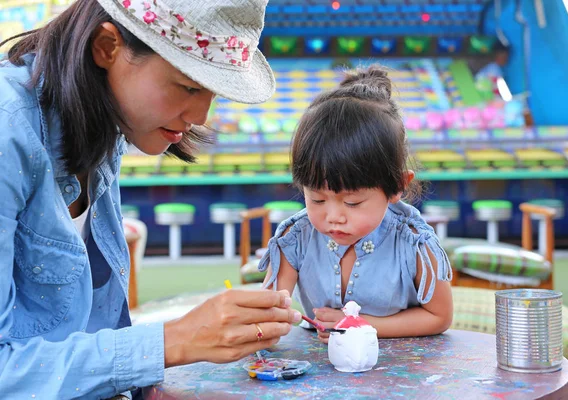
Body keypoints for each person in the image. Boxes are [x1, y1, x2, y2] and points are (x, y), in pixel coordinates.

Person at [0, 0, 301, 398]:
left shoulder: (107, 123)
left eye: (211, 93)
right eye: (189, 86)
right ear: (107, 47)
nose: (199, 114)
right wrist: (173, 340)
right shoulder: (9, 133)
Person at [258, 65, 453, 343]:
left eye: (352, 202)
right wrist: (265, 319)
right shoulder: (296, 238)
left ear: (397, 186)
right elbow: (272, 307)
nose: (334, 216)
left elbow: (439, 317)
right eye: (317, 198)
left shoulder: (412, 243)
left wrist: (359, 324)